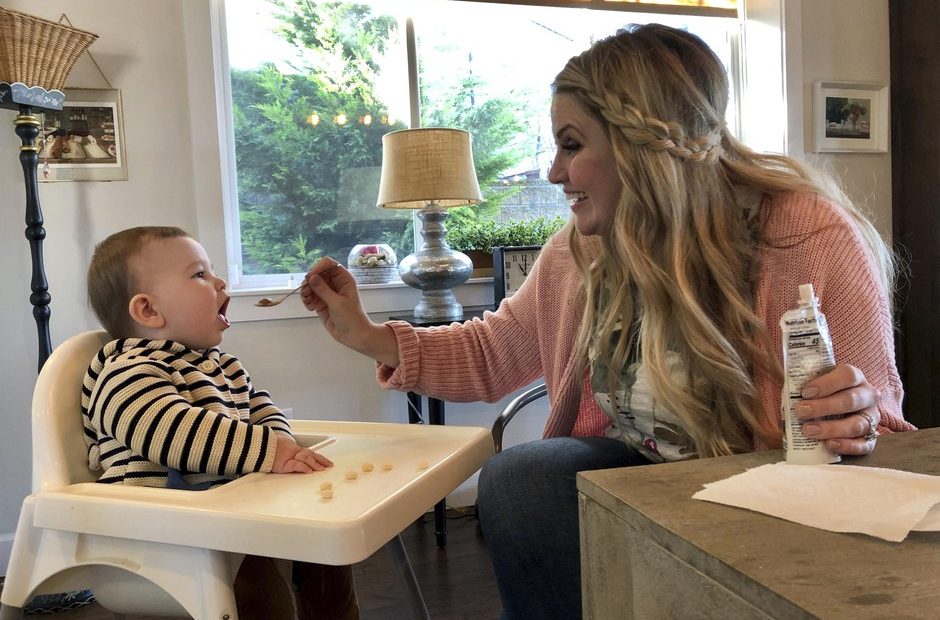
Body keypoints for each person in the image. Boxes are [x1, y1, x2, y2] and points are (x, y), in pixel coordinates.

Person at [300, 24, 915, 619]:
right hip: (635, 481)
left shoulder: (807, 233)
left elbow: (880, 420)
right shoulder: (579, 250)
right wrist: (365, 334)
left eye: (571, 144)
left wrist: (853, 415)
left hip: (770, 489)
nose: (553, 172)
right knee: (521, 478)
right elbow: (494, 355)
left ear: (639, 144)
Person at [83, 226, 359, 620]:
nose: (219, 281)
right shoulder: (128, 372)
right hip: (162, 544)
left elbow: (262, 410)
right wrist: (269, 452)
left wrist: (285, 450)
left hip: (226, 522)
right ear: (148, 310)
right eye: (199, 275)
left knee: (327, 550)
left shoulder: (223, 367)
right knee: (257, 588)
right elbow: (170, 429)